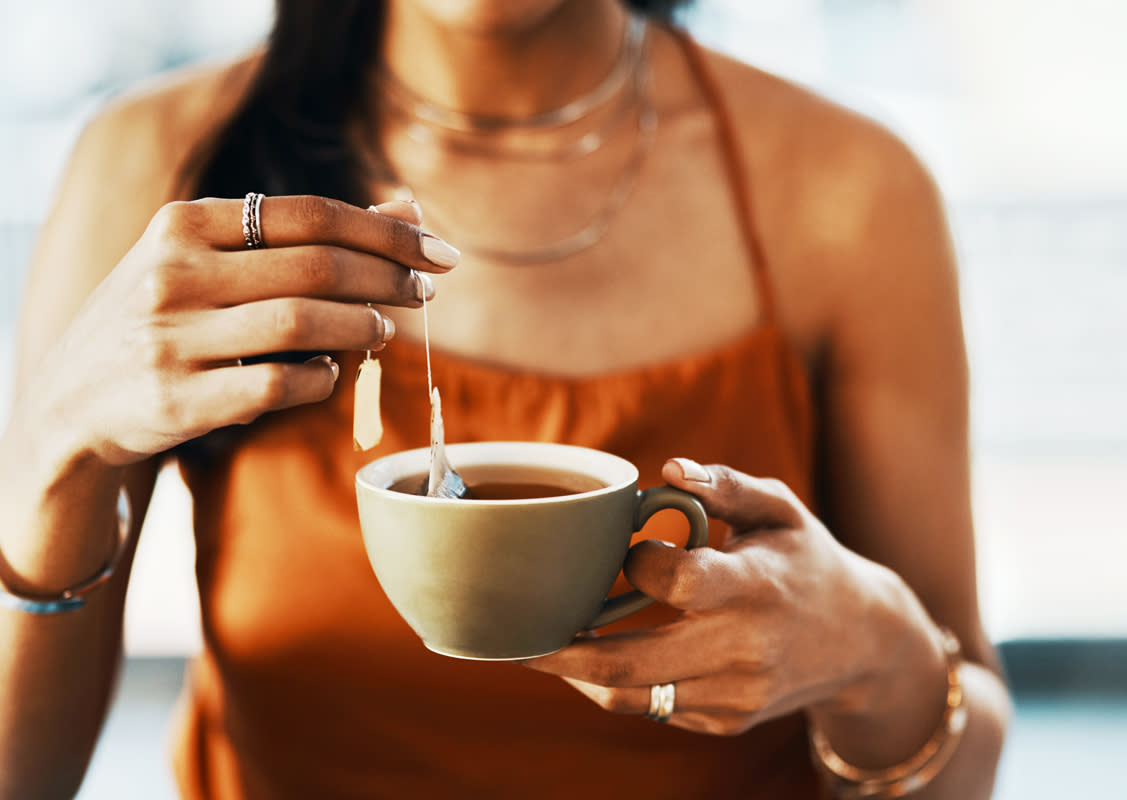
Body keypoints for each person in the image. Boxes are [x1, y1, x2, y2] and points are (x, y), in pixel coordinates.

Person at [0, 0, 1011, 797]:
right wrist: (55, 451)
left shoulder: (851, 190)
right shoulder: (160, 170)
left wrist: (877, 652)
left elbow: (960, 765)